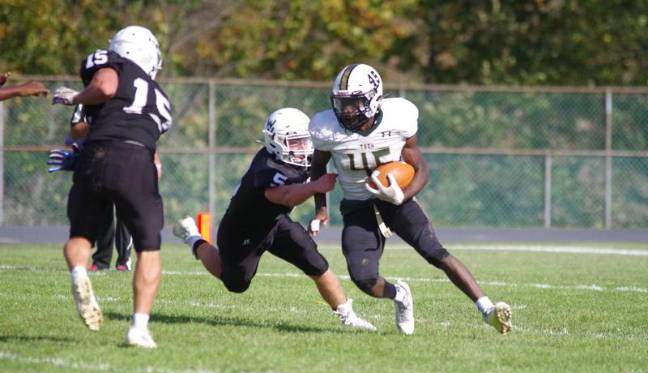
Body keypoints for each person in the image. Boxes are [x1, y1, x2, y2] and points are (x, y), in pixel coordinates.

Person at [308, 63, 512, 335]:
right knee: (364, 279)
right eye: (342, 103)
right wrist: (321, 208)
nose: (346, 110)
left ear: (374, 98)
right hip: (357, 205)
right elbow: (317, 168)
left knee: (435, 252)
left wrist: (402, 195)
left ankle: (487, 310)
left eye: (355, 102)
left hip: (396, 200)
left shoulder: (399, 117)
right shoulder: (325, 129)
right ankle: (400, 295)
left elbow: (421, 167)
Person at [173, 107, 375, 332]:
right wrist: (315, 186)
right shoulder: (267, 168)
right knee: (235, 283)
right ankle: (193, 237)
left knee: (317, 264)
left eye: (305, 140)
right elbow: (283, 195)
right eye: (296, 142)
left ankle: (348, 316)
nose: (304, 147)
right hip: (243, 230)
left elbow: (316, 174)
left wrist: (320, 212)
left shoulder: (300, 156)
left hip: (276, 222)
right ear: (275, 143)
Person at [51, 25, 172, 348]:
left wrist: (75, 97)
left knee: (79, 237)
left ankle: (79, 272)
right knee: (149, 248)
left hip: (96, 153)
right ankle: (139, 327)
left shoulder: (107, 61)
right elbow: (111, 91)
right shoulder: (161, 98)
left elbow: (103, 88)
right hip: (136, 159)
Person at [48, 104, 136, 272]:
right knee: (102, 210)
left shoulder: (125, 97)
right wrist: (76, 159)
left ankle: (124, 260)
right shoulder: (86, 100)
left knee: (124, 210)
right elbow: (76, 129)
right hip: (95, 161)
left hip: (123, 159)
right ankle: (101, 260)